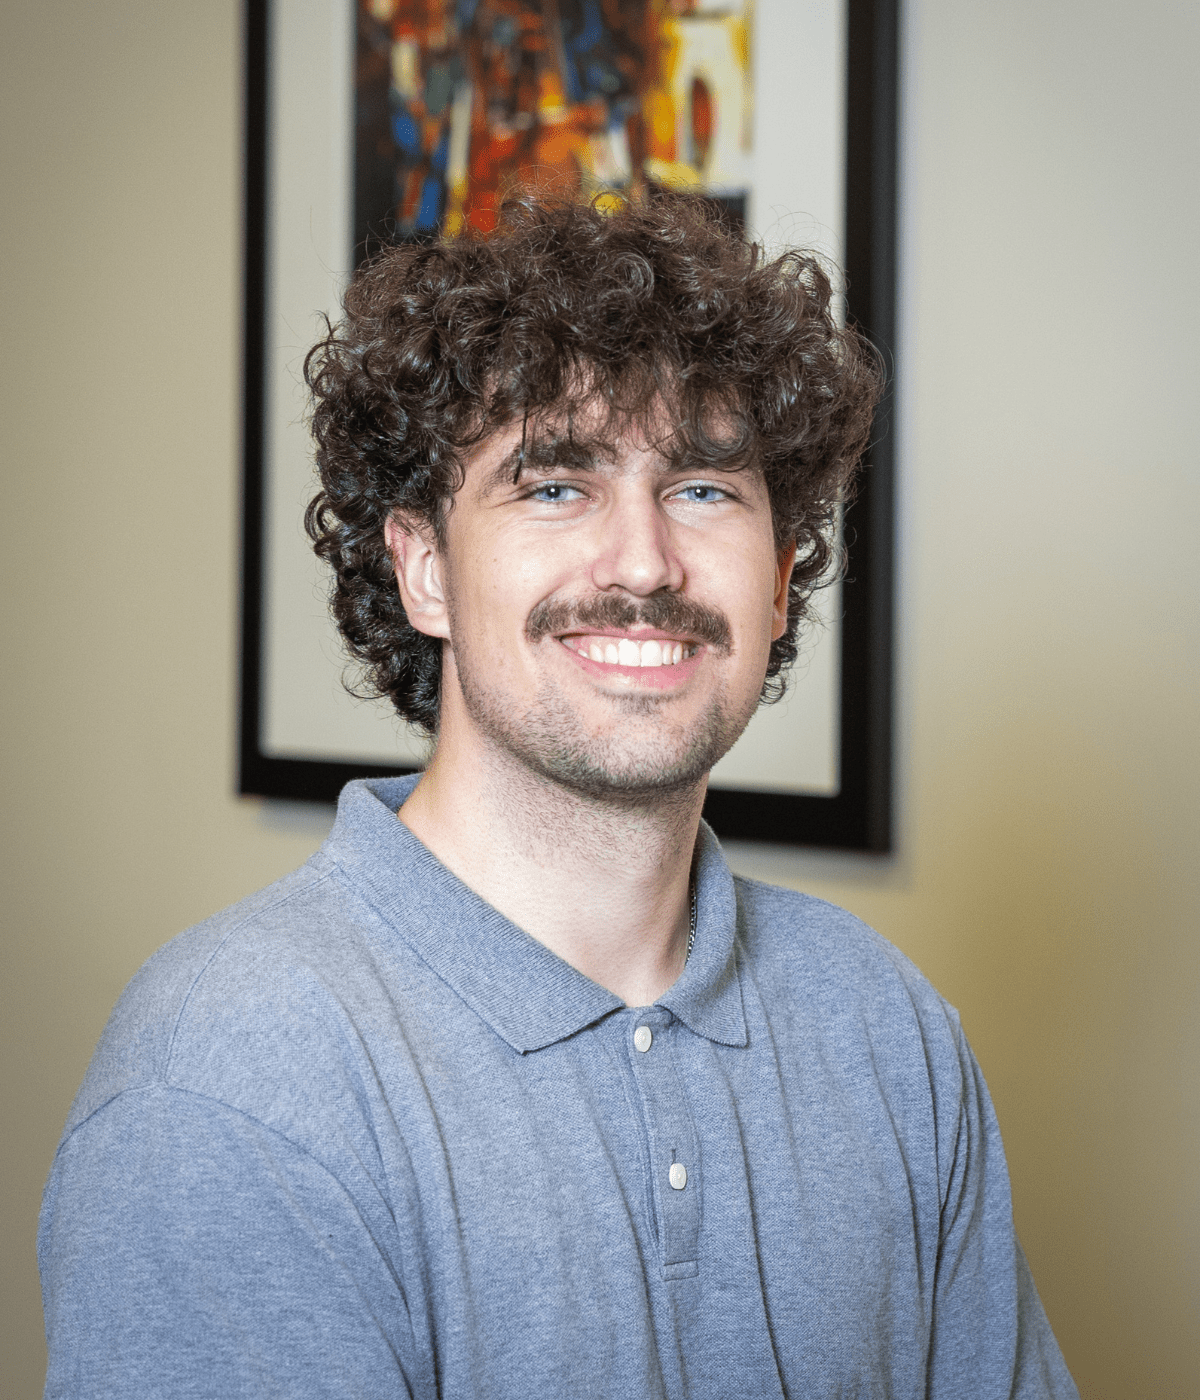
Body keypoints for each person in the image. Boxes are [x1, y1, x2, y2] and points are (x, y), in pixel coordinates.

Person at [38, 193, 1078, 1398]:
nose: (643, 560)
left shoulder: (890, 1031)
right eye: (553, 485)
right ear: (425, 568)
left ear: (780, 579)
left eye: (703, 487)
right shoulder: (233, 1084)